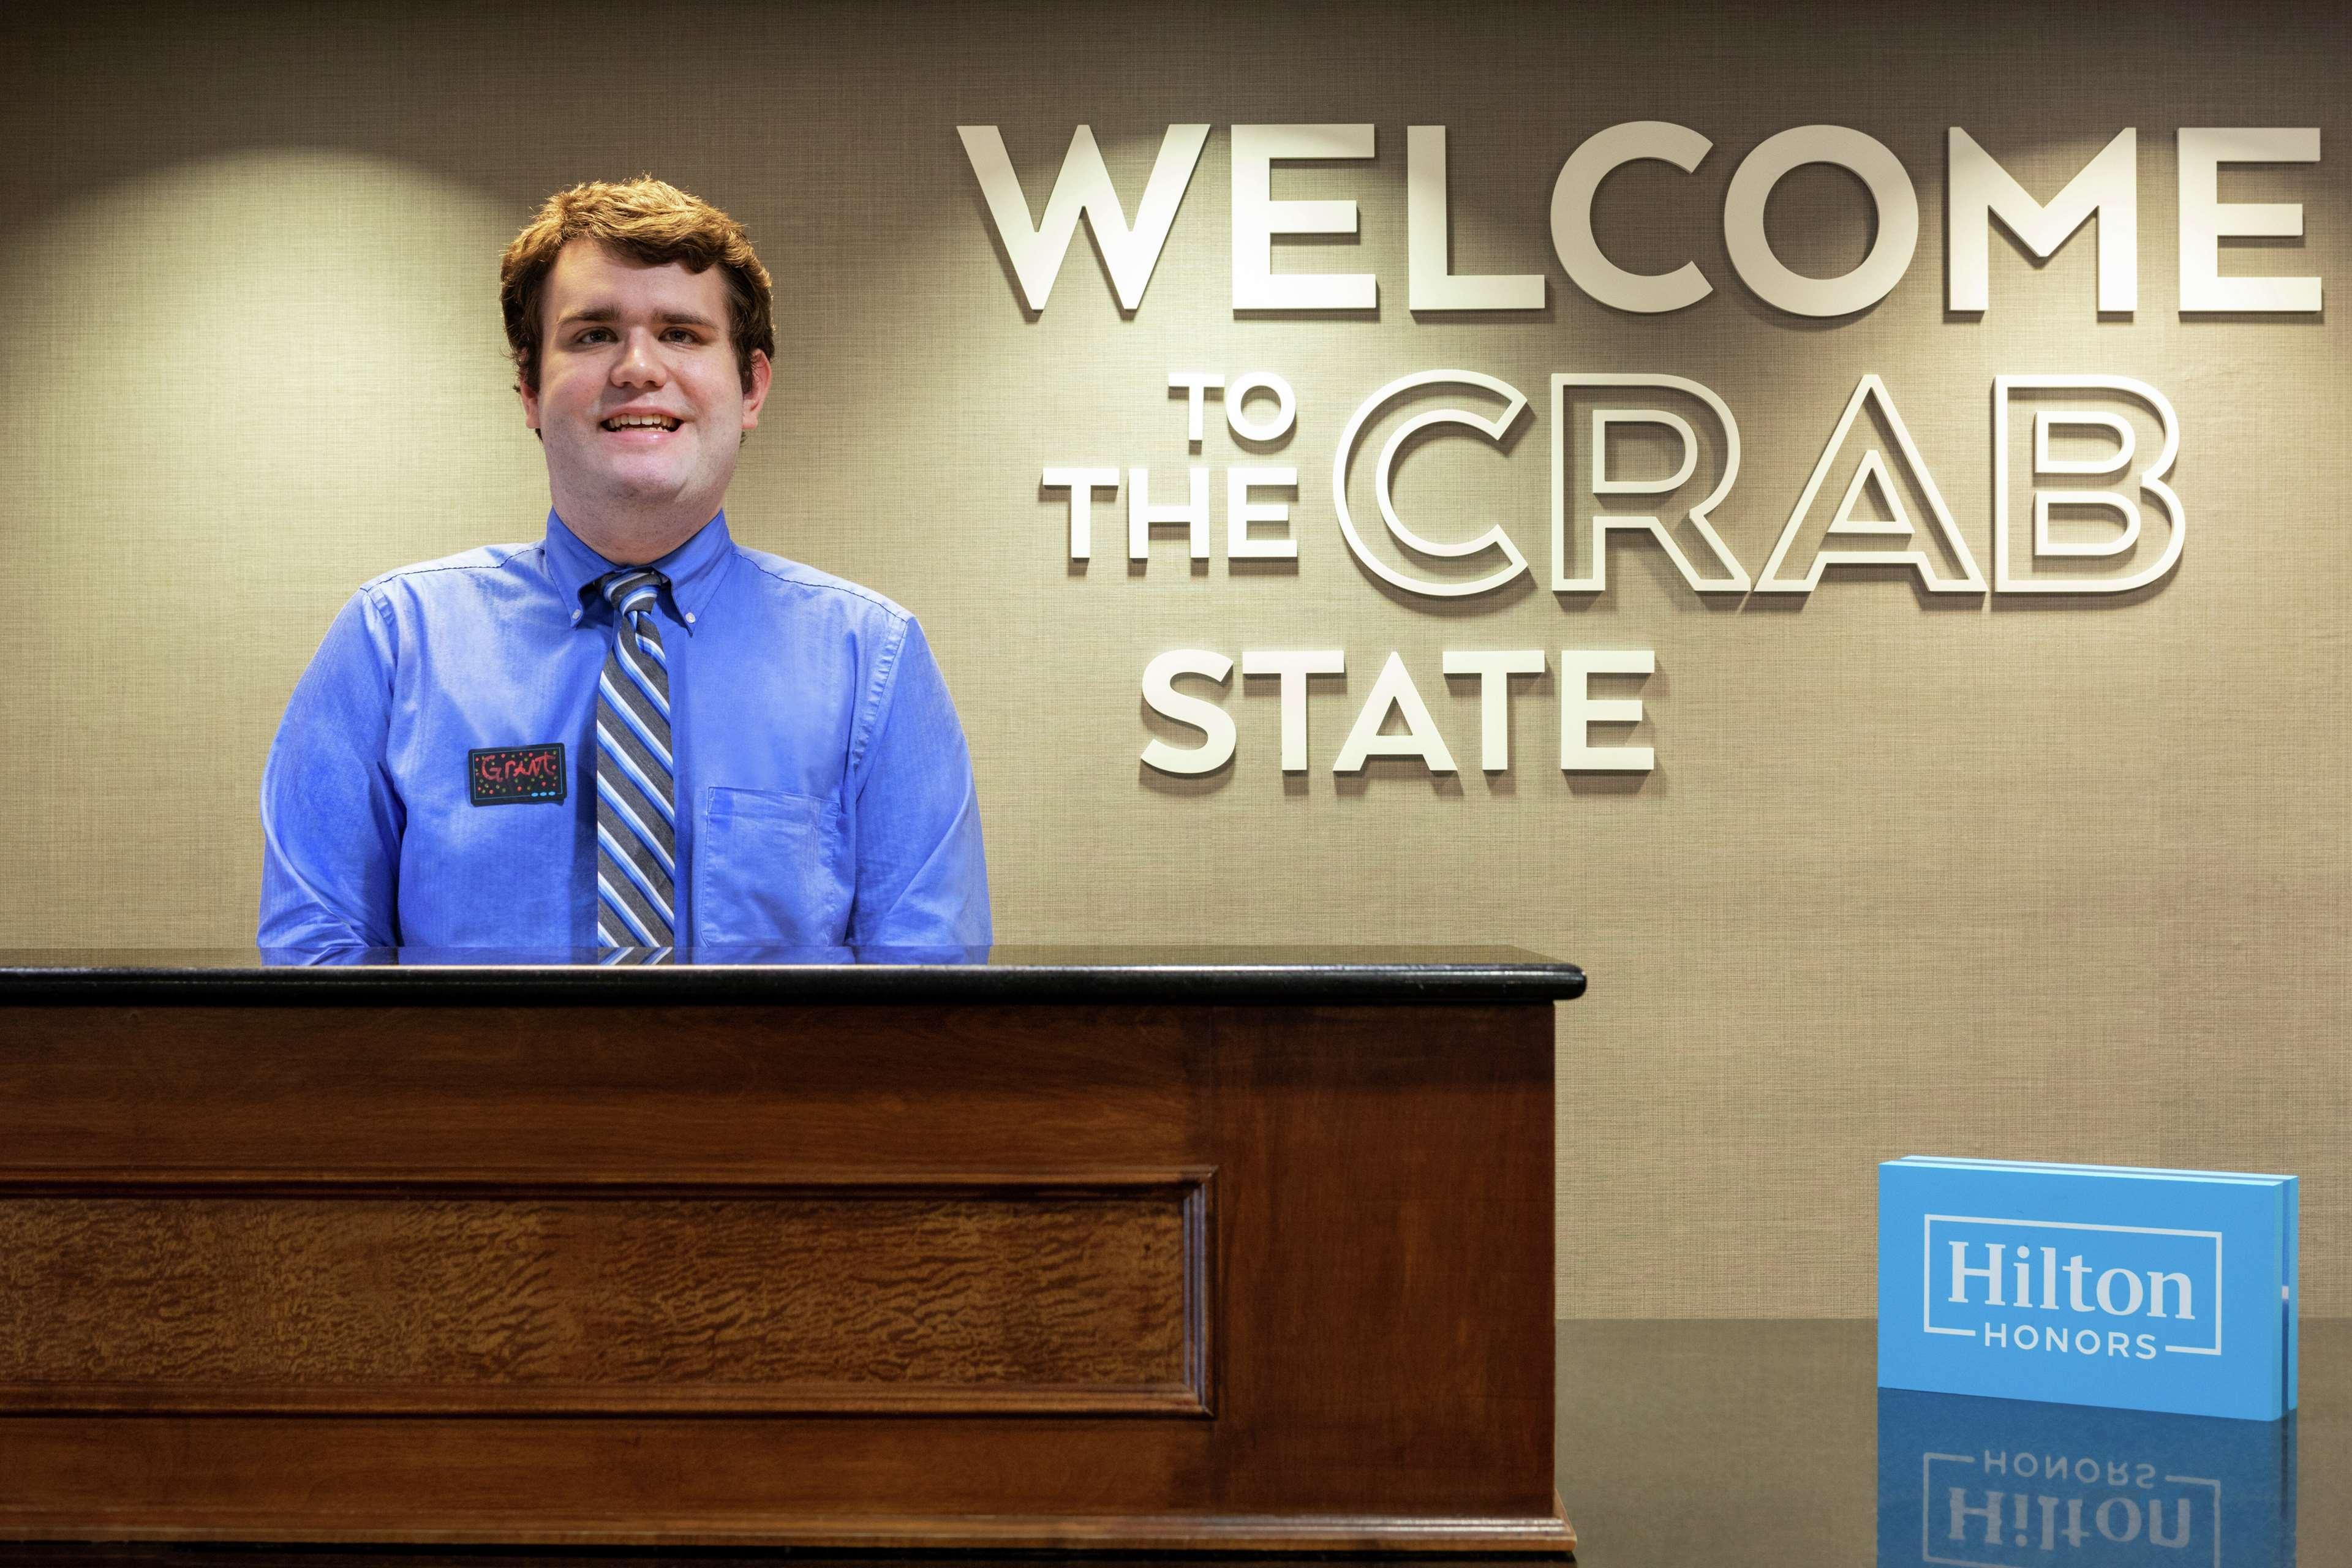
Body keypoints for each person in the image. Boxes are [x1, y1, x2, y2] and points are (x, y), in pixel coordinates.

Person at [258, 177, 989, 955]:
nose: (639, 367)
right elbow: (316, 972)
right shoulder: (394, 642)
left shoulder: (870, 658)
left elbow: (926, 991)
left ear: (751, 388)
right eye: (593, 334)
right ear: (530, 392)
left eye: (681, 333)